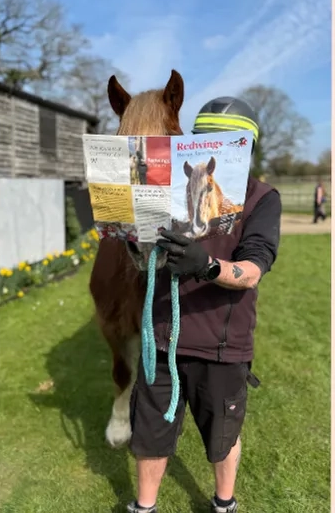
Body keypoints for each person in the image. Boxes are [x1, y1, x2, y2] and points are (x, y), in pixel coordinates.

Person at [126, 97, 282, 513]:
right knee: (150, 434)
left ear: (245, 146)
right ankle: (144, 508)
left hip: (222, 345)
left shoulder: (262, 199)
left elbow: (251, 271)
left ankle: (223, 503)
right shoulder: (165, 190)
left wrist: (206, 265)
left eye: (226, 142)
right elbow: (144, 261)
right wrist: (129, 232)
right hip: (161, 341)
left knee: (223, 438)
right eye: (205, 141)